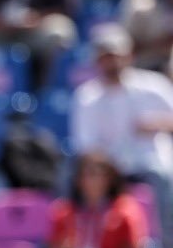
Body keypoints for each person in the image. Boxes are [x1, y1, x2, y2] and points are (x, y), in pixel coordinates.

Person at [71, 23, 173, 234]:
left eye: (116, 55)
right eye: (106, 57)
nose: (112, 62)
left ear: (129, 55)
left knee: (162, 178)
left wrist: (159, 123)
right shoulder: (87, 96)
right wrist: (105, 164)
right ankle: (83, 245)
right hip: (109, 168)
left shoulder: (154, 85)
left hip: (148, 163)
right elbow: (85, 145)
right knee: (76, 178)